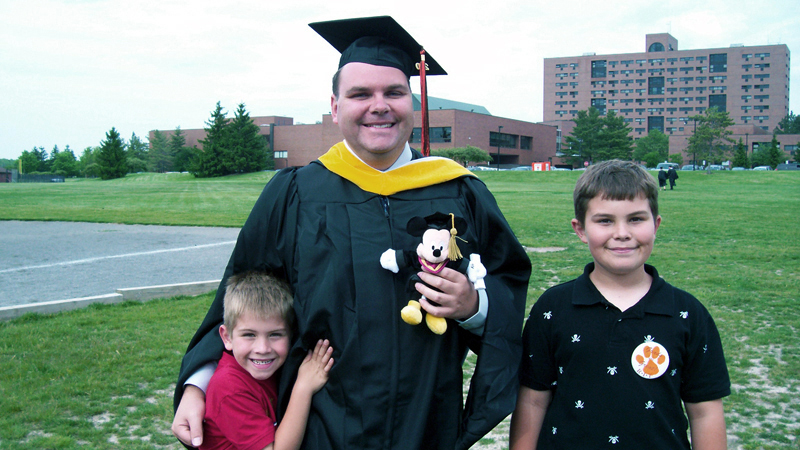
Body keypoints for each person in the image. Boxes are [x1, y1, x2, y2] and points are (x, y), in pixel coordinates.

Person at [173, 16, 531, 450]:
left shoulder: (459, 192)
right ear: (336, 106)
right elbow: (238, 296)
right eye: (360, 94)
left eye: (393, 93)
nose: (378, 105)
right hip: (321, 421)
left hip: (425, 416)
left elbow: (506, 282)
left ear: (411, 105)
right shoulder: (295, 194)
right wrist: (198, 383)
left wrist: (474, 305)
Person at [509, 160, 730, 450]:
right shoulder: (553, 309)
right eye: (605, 221)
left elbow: (704, 411)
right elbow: (533, 400)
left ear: (656, 224)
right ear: (580, 229)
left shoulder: (687, 313)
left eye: (636, 219)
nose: (622, 233)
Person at [201, 271, 333, 450]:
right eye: (249, 335)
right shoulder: (229, 387)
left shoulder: (265, 368)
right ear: (227, 337)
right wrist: (304, 388)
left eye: (275, 335)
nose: (263, 349)